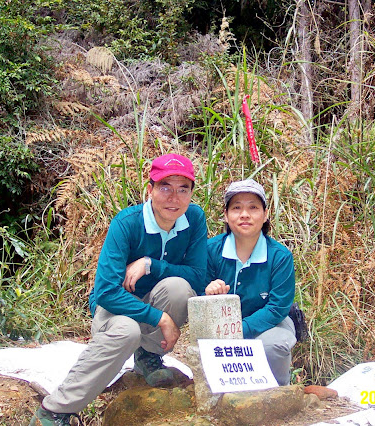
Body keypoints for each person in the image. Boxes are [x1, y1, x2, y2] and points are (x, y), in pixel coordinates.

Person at [31, 153, 207, 425]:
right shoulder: (127, 224)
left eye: (183, 189)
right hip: (115, 307)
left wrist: (150, 264)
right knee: (127, 330)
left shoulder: (193, 219)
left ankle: (148, 356)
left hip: (152, 296)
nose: (174, 198)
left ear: (191, 194)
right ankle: (54, 411)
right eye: (165, 187)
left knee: (179, 289)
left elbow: (197, 276)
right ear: (149, 190)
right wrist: (159, 318)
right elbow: (106, 293)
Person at [205, 179, 296, 386]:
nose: (244, 214)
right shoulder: (210, 250)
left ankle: (279, 393)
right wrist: (208, 294)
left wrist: (239, 331)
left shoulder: (280, 256)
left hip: (270, 324)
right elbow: (197, 296)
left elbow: (277, 308)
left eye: (253, 208)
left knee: (271, 346)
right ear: (226, 216)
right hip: (220, 326)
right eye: (236, 208)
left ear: (265, 215)